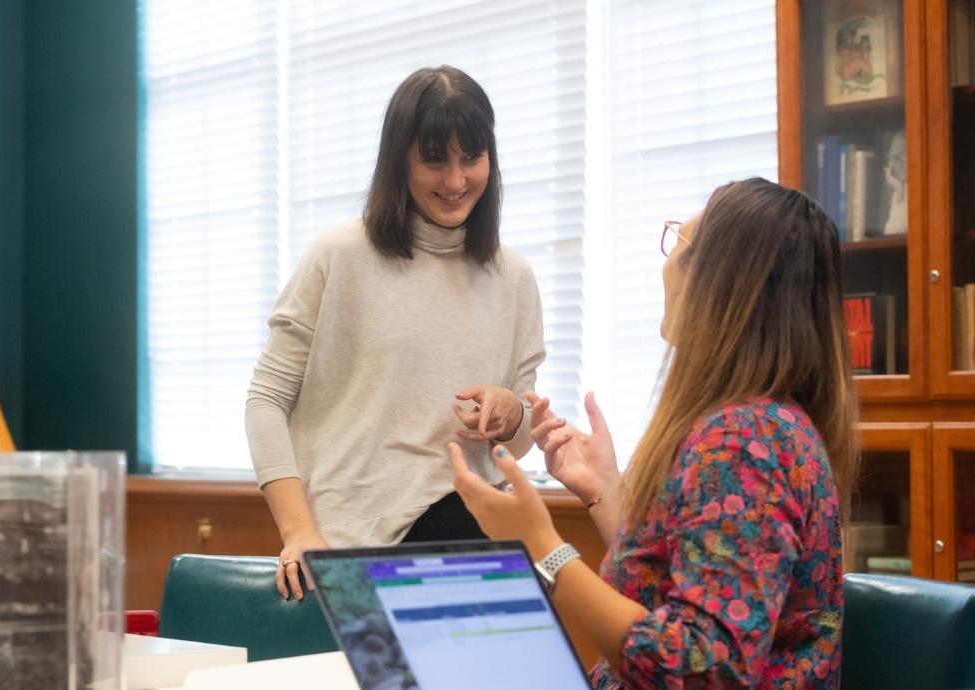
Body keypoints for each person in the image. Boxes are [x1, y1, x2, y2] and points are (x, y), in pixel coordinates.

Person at [450, 177, 859, 688]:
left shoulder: (742, 441)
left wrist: (538, 543)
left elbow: (702, 668)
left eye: (680, 243)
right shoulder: (765, 424)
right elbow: (684, 589)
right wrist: (604, 492)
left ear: (722, 283)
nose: (666, 264)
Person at [246, 66, 546, 600]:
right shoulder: (339, 255)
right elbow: (266, 400)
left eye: (471, 158)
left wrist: (511, 413)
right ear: (399, 161)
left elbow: (518, 445)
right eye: (435, 160)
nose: (456, 181)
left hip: (472, 539)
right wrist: (298, 531)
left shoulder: (515, 277)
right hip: (350, 545)